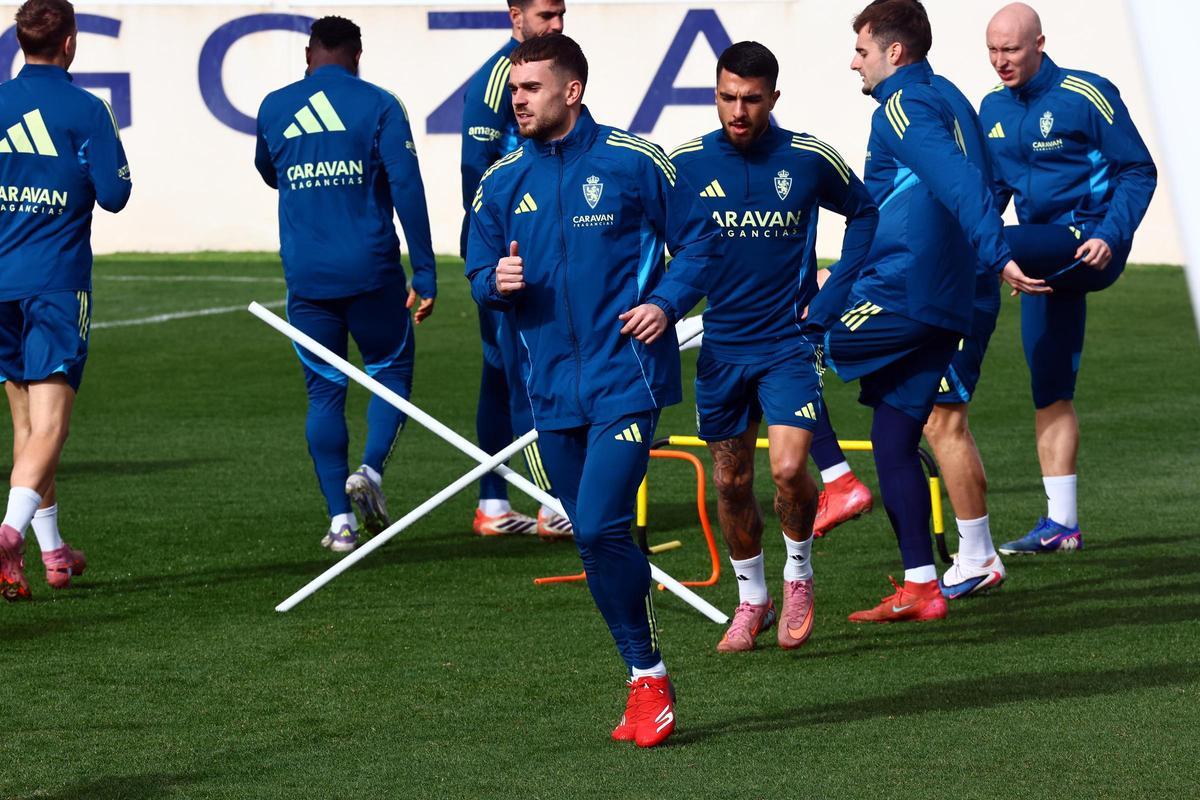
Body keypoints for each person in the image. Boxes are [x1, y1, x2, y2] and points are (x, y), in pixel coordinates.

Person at [466, 33, 720, 747]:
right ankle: (645, 675)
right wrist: (495, 283)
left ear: (570, 91)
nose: (517, 100)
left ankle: (648, 677)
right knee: (592, 542)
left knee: (605, 524)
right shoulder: (500, 181)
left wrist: (666, 303)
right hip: (548, 393)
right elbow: (478, 265)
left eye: (531, 88)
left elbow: (698, 242)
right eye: (514, 89)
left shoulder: (634, 163)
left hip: (627, 379)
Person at [809, 0, 1046, 622]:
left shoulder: (903, 106)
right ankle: (922, 585)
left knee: (783, 348)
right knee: (896, 434)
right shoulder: (947, 96)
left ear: (895, 53)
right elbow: (952, 189)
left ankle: (836, 480)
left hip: (912, 292)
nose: (852, 62)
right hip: (940, 289)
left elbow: (961, 185)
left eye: (861, 51)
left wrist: (996, 253)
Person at [669, 42, 877, 652]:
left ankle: (799, 576)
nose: (739, 111)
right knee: (731, 483)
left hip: (788, 343)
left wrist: (833, 294)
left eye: (752, 100)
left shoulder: (807, 158)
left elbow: (864, 213)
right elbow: (652, 238)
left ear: (773, 99)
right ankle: (751, 598)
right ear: (715, 94)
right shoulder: (683, 164)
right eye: (728, 97)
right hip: (721, 346)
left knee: (788, 470)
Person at [979, 2, 1156, 555]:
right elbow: (995, 195)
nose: (1000, 60)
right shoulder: (991, 108)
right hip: (1040, 256)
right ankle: (1063, 526)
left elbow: (1137, 168)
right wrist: (1004, 254)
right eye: (992, 50)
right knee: (1049, 387)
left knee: (973, 249)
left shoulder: (1087, 93)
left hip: (1086, 244)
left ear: (1039, 43)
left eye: (1010, 49)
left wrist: (1111, 233)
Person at [254, 16, 436, 553]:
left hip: (307, 277)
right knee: (390, 370)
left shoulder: (274, 105)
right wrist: (424, 269)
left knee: (324, 392)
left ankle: (339, 522)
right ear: (358, 55)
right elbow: (406, 184)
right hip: (372, 270)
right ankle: (372, 472)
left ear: (308, 55)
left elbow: (270, 170)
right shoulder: (380, 104)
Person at [0, 0, 131, 601]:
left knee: (27, 425)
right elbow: (114, 195)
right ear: (70, 43)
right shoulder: (85, 109)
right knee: (52, 425)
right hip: (55, 281)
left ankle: (51, 551)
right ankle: (8, 533)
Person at [461, 0, 572, 539]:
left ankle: (493, 504)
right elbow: (472, 170)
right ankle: (551, 502)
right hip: (510, 253)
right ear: (515, 16)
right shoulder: (499, 79)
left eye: (561, 13)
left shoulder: (546, 68)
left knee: (500, 374)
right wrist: (493, 246)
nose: (556, 23)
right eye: (545, 14)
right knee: (529, 372)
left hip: (531, 244)